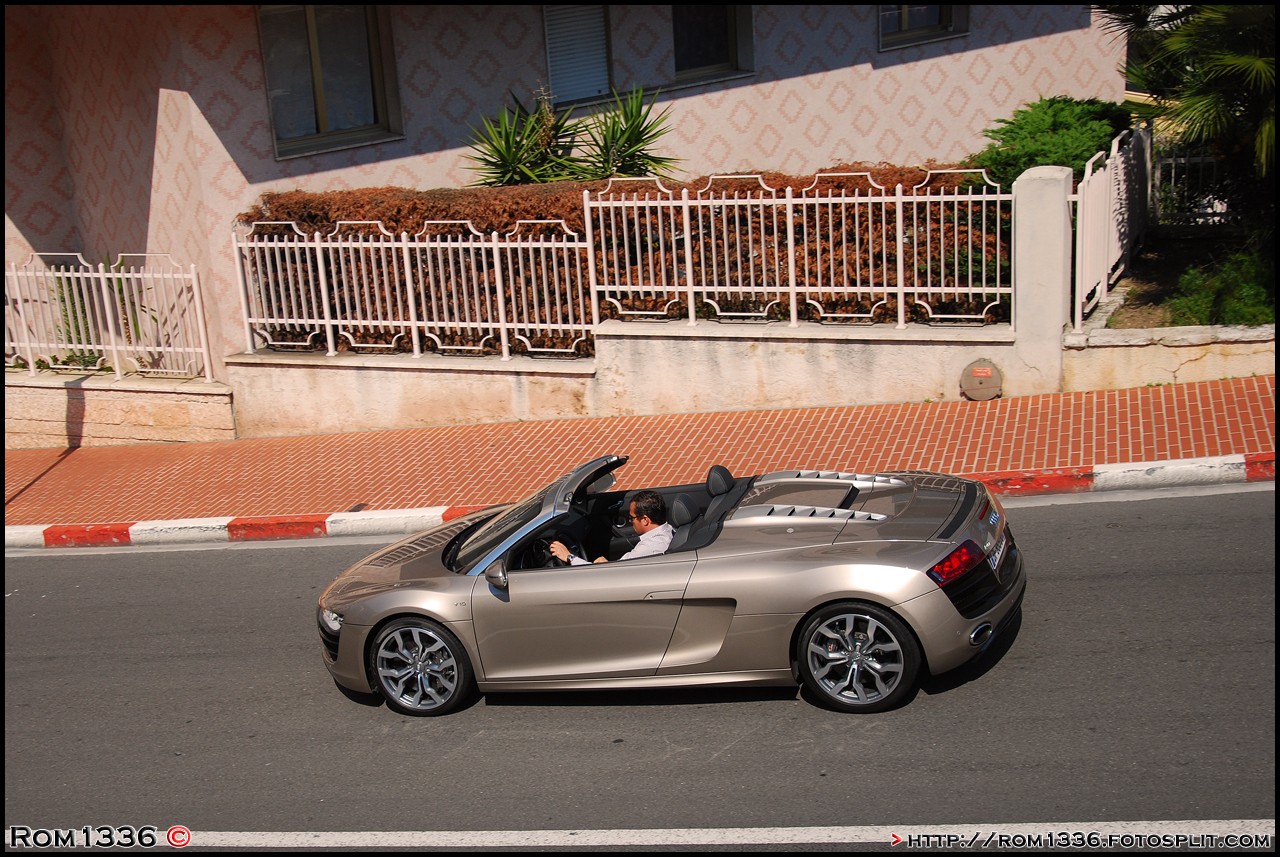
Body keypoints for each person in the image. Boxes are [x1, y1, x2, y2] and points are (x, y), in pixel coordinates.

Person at [550, 490, 674, 565]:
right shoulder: (669, 529)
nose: (630, 521)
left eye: (632, 518)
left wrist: (569, 557)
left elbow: (607, 576)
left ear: (645, 520)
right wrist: (607, 564)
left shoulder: (650, 548)